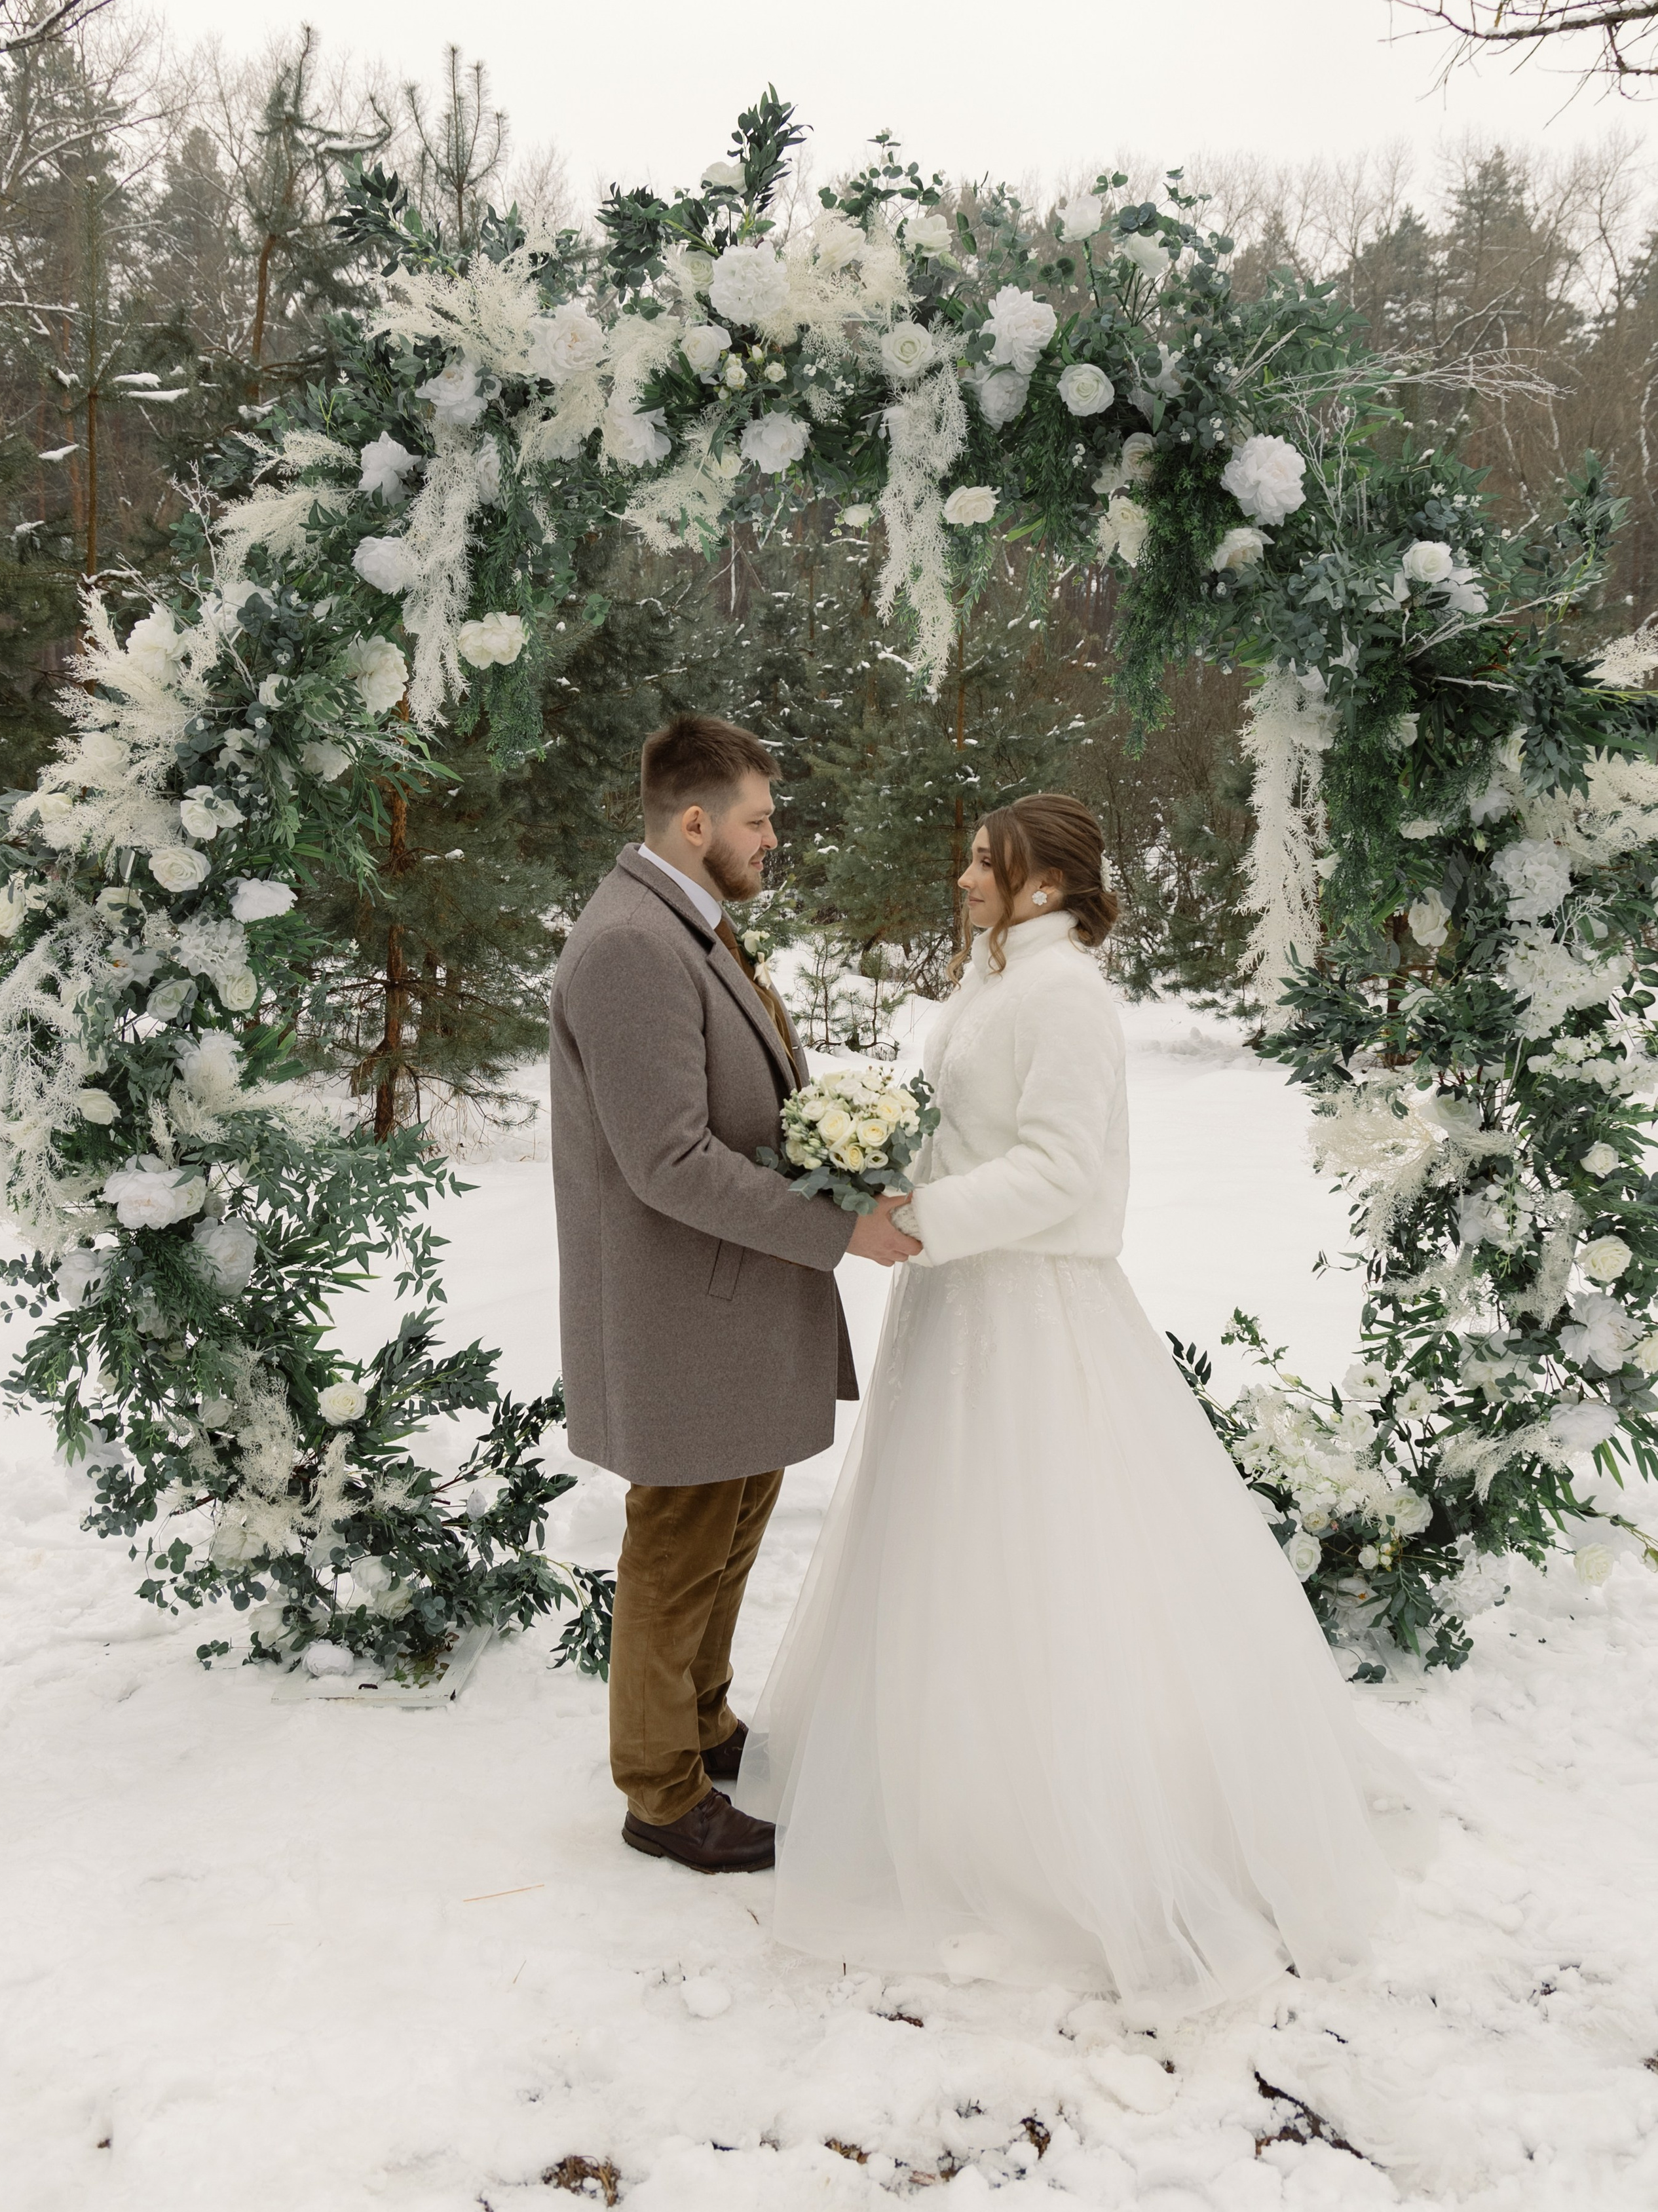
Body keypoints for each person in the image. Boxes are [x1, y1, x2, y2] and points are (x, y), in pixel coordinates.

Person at [738, 792, 1431, 2016]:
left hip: (1030, 1310)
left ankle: (1065, 1820)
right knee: (951, 1551)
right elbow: (974, 1131)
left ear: (1045, 886)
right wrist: (883, 1161)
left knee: (1045, 1553)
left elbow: (1062, 1169)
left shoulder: (1065, 998)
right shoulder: (1000, 978)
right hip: (960, 1305)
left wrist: (922, 1220)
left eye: (985, 863)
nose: (963, 877)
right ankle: (942, 1781)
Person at [548, 715, 917, 1875]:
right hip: (682, 1312)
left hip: (732, 1302)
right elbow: (665, 1160)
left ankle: (701, 1726)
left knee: (731, 1526)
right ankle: (660, 1792)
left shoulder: (687, 928)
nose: (774, 840)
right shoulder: (629, 947)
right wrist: (838, 1227)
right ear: (694, 823)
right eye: (758, 820)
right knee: (679, 1541)